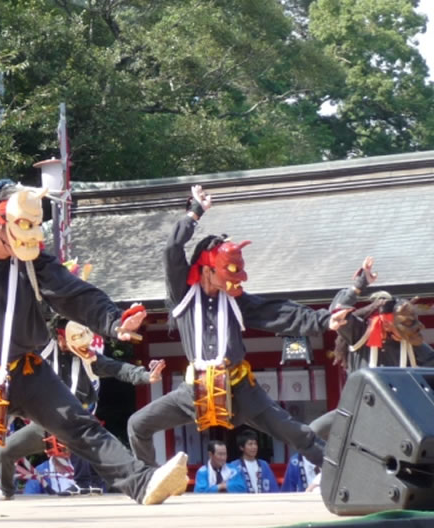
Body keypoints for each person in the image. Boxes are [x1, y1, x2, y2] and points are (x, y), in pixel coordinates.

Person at [0, 129, 189, 509]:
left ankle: (143, 484)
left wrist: (113, 321)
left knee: (79, 424)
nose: (30, 234)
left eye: (33, 225)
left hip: (24, 372)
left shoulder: (35, 263)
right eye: (22, 224)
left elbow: (75, 294)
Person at [126, 186, 347, 472]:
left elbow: (278, 312)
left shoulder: (235, 302)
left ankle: (344, 475)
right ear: (207, 269)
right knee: (137, 424)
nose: (235, 282)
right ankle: (148, 479)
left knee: (298, 434)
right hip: (194, 390)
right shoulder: (183, 295)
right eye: (227, 273)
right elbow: (172, 249)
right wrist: (195, 212)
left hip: (240, 389)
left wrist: (323, 320)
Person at [0, 316, 165, 501]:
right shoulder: (42, 351)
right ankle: (6, 491)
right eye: (64, 338)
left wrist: (145, 375)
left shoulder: (89, 358)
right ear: (58, 336)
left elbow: (117, 368)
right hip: (46, 423)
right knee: (5, 451)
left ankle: (144, 481)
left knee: (113, 451)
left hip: (77, 424)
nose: (66, 343)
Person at [309, 256, 434, 440]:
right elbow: (337, 310)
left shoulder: (410, 342)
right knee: (312, 431)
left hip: (401, 411)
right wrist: (360, 284)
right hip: (361, 407)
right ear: (386, 322)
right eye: (403, 325)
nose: (408, 332)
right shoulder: (359, 332)